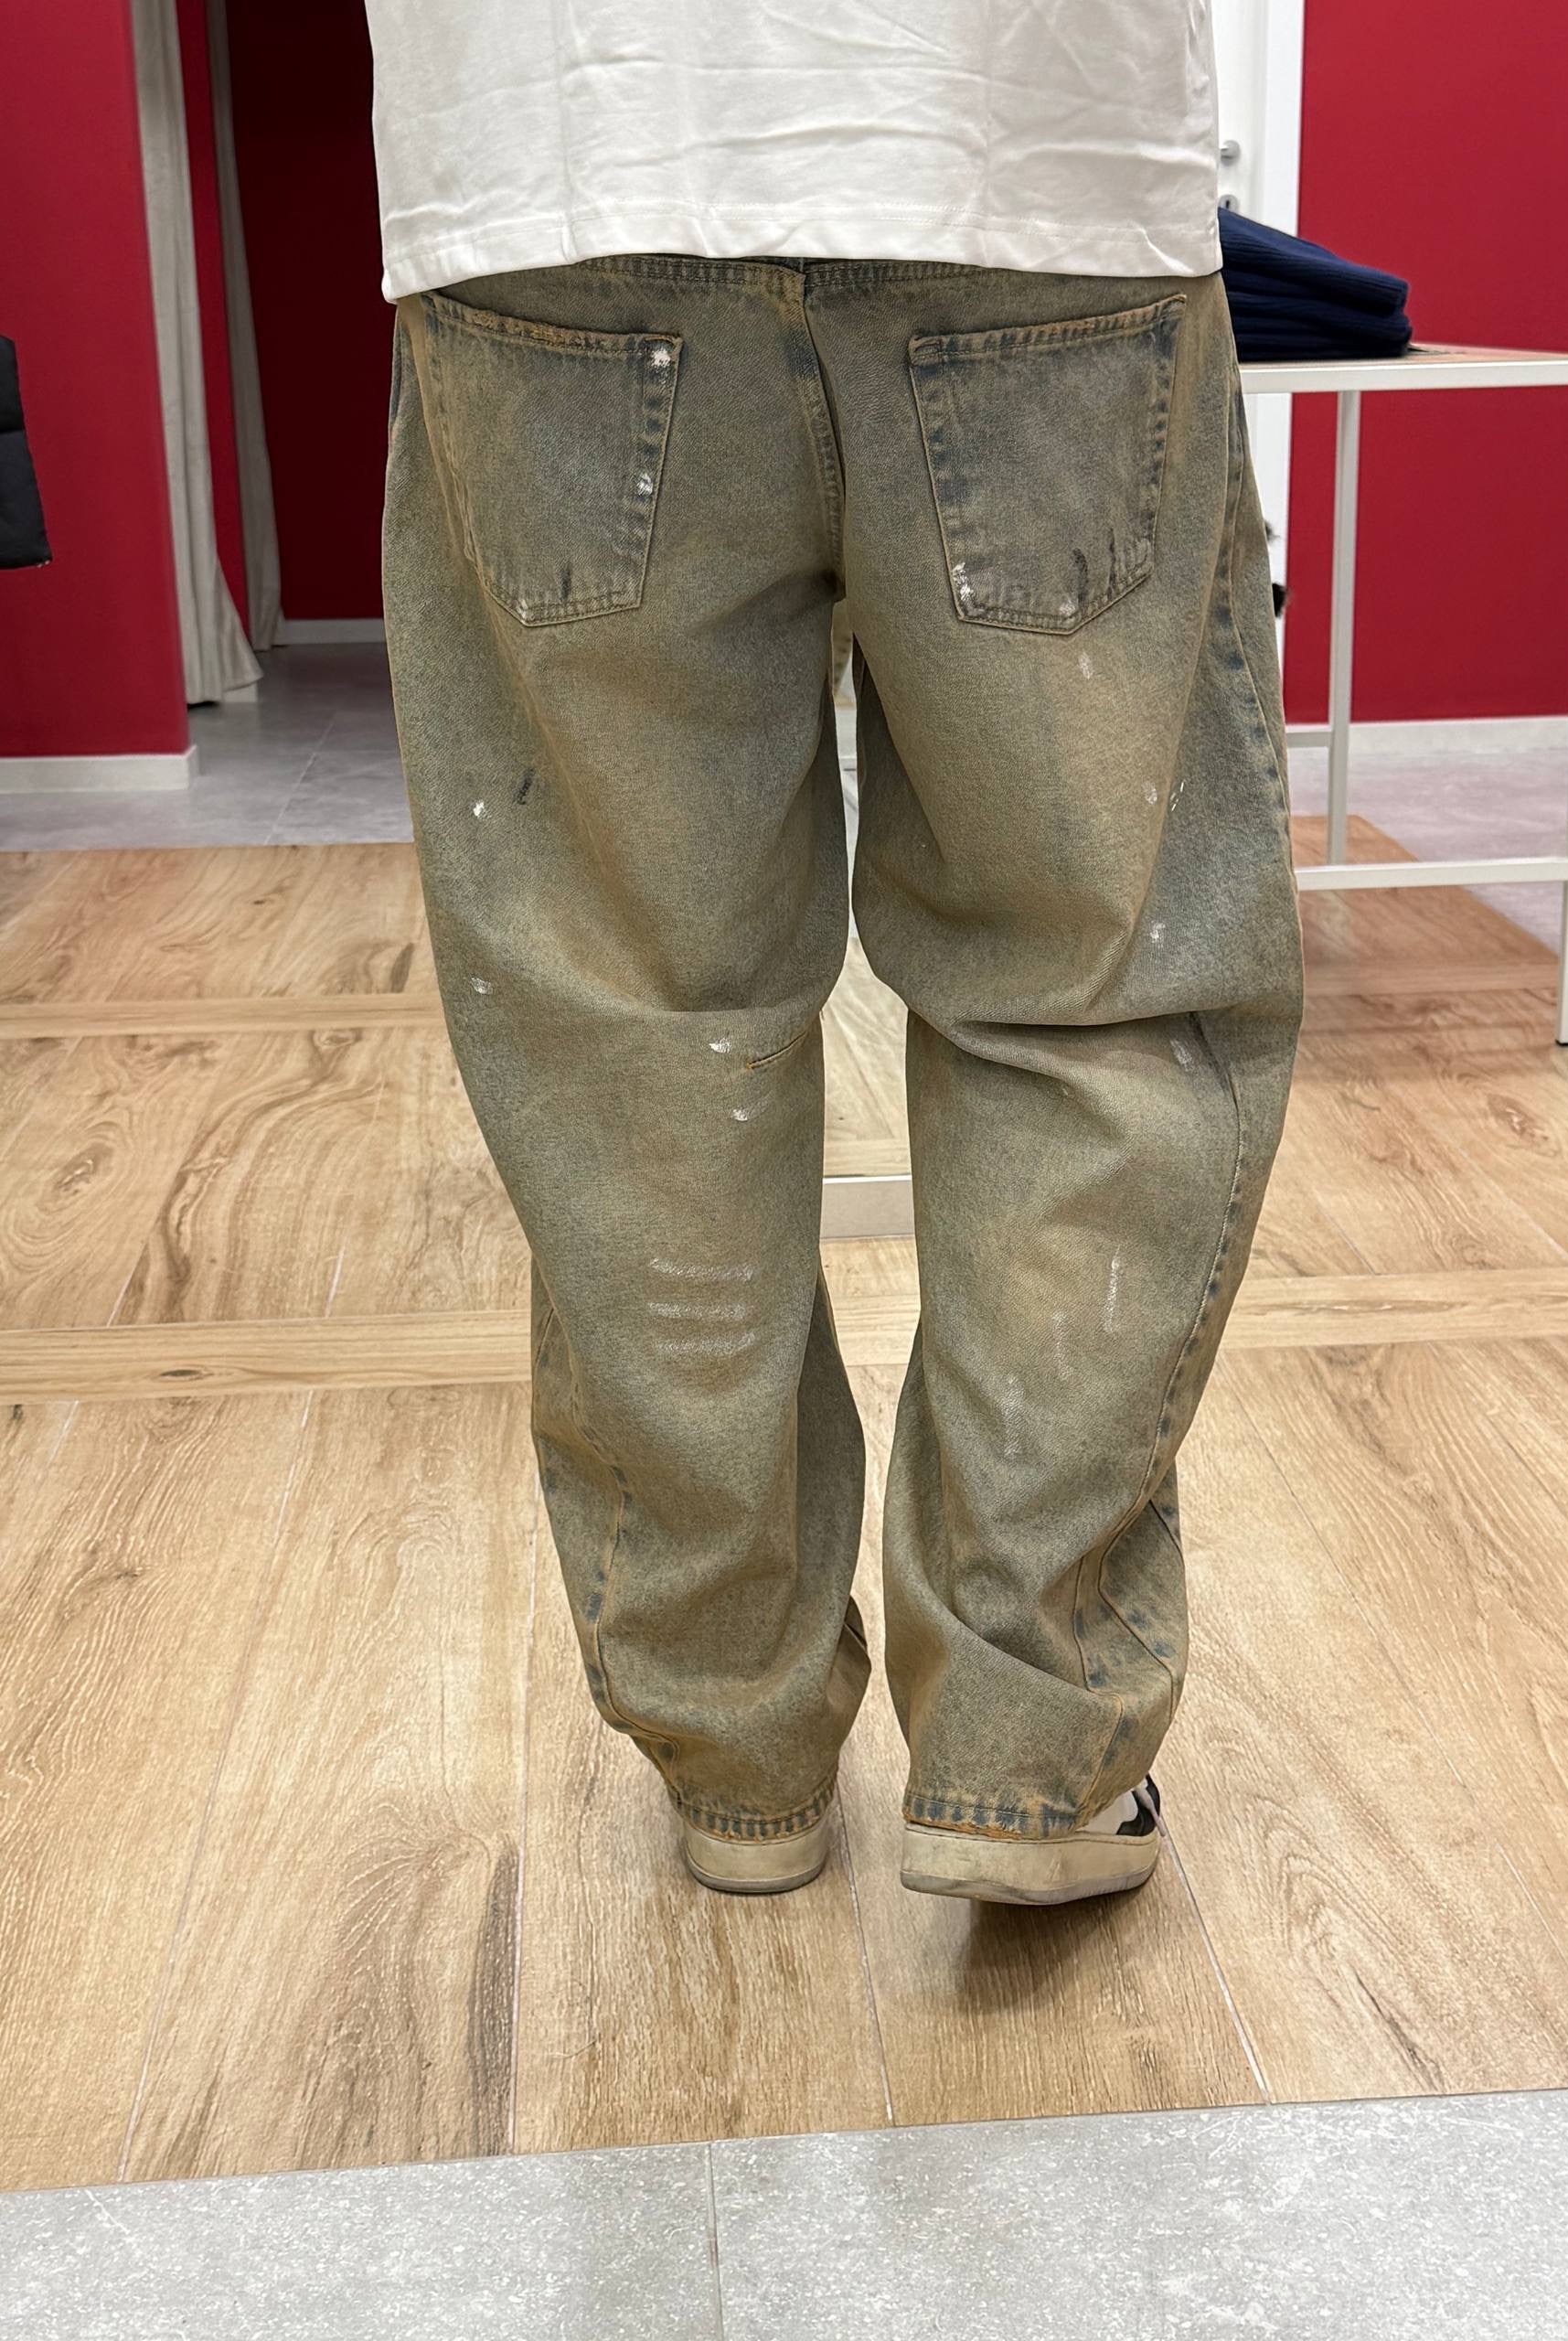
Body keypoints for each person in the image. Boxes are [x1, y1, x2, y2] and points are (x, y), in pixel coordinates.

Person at [365, 2, 1304, 1906]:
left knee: (635, 1027)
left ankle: (740, 1748)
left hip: (555, 157)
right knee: (1087, 999)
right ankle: (1030, 1737)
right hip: (1025, 157)